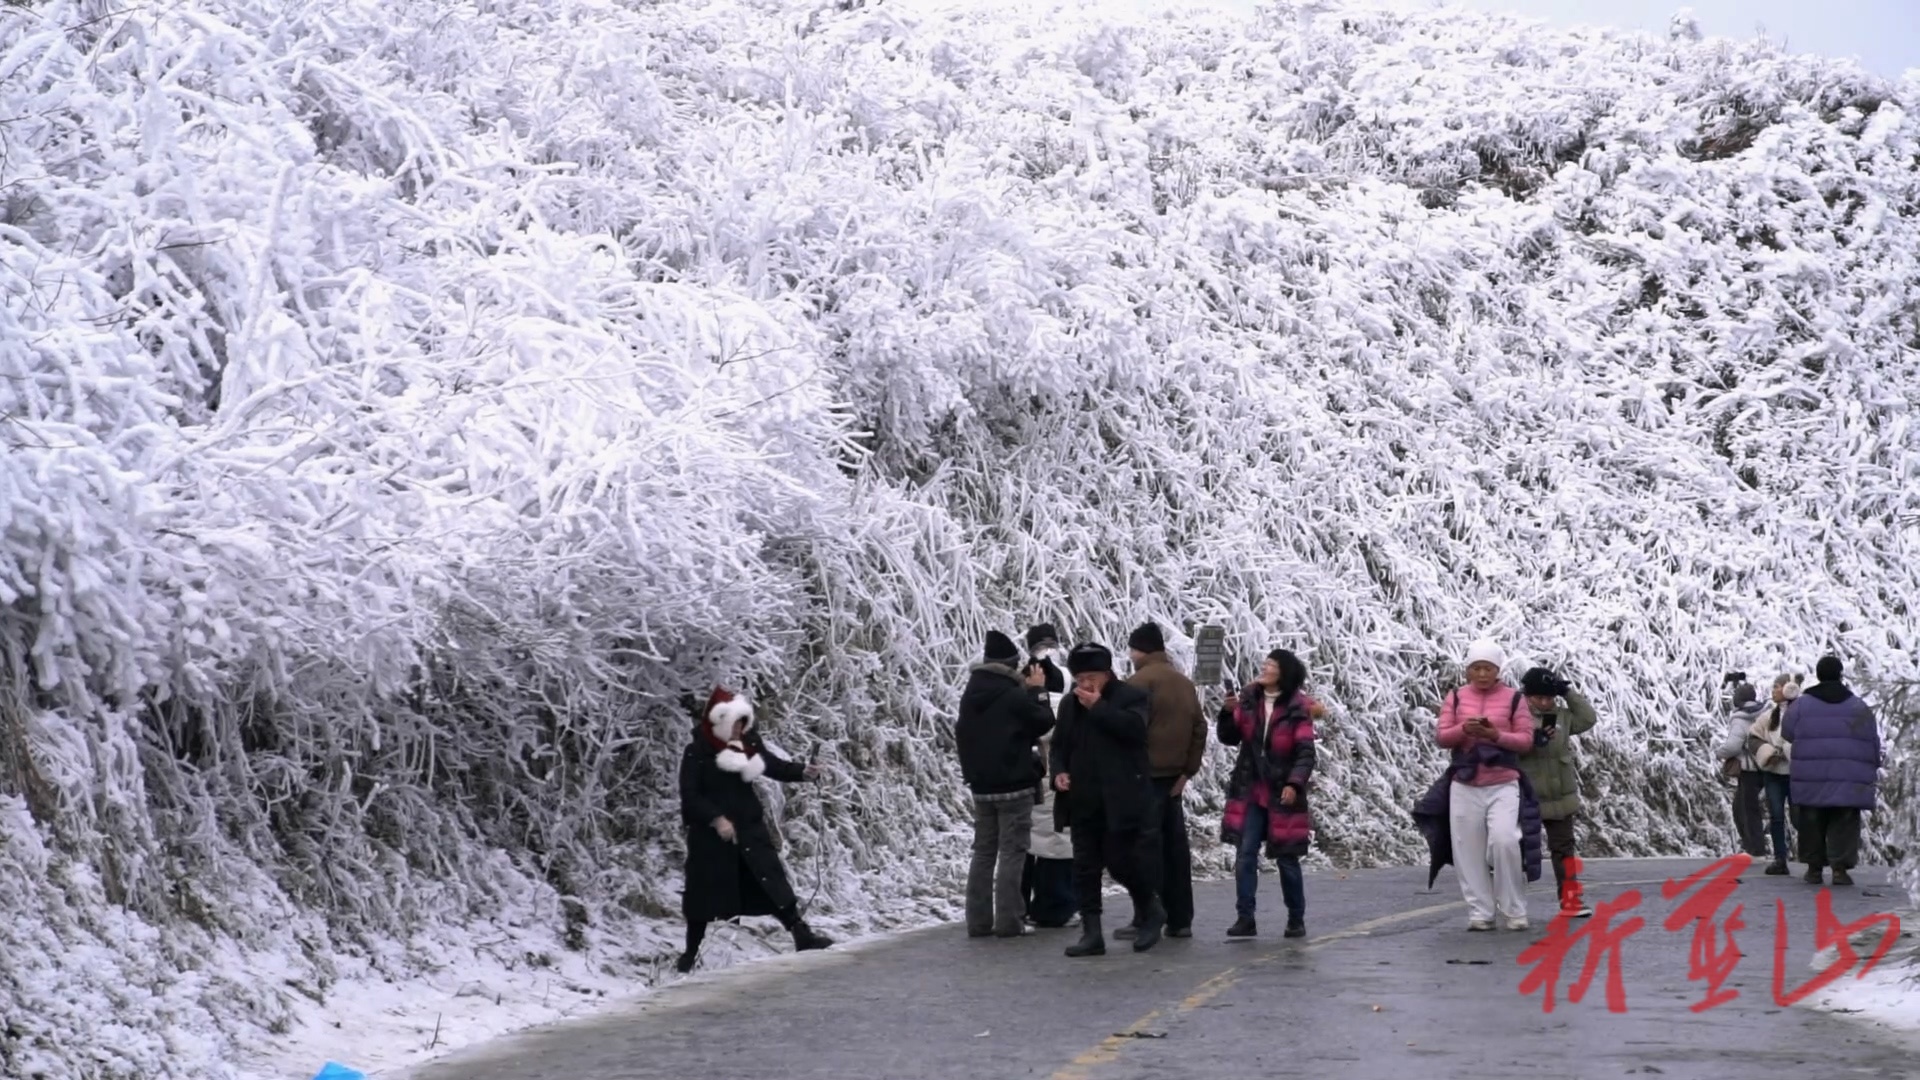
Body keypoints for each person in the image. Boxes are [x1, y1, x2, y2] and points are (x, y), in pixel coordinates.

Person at [676, 688, 832, 973]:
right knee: (702, 896)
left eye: (742, 722)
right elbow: (690, 795)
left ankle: (800, 933)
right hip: (710, 838)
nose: (739, 728)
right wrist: (716, 820)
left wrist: (802, 772)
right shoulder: (697, 752)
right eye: (734, 723)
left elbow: (771, 765)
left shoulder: (747, 746)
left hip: (748, 829)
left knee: (771, 880)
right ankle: (690, 954)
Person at [1050, 642, 1164, 956]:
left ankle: (1150, 909)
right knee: (1084, 866)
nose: (1086, 684)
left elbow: (1135, 731)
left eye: (1092, 676)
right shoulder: (1069, 705)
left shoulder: (1131, 697)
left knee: (1121, 862)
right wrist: (1058, 771)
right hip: (1083, 797)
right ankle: (1092, 933)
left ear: (1107, 673)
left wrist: (1099, 707)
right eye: (1080, 678)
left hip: (1122, 797)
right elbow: (1060, 745)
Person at [956, 630, 1055, 937]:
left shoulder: (970, 695)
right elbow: (1043, 721)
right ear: (1012, 665)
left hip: (982, 787)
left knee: (984, 851)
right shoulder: (1013, 695)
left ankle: (978, 920)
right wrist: (1038, 691)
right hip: (1014, 786)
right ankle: (1010, 921)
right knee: (1013, 851)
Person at [1216, 649, 1319, 938]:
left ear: (1283, 673)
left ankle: (1295, 918)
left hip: (1282, 791)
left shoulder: (1298, 707)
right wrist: (1227, 711)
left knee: (1287, 857)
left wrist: (1294, 784)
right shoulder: (1249, 698)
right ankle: (1245, 917)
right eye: (1264, 664)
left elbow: (1305, 753)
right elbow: (1229, 737)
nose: (1264, 669)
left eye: (1270, 665)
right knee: (1245, 853)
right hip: (1251, 789)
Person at [1436, 638, 1536, 931]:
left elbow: (1526, 740)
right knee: (1468, 848)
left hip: (1503, 781)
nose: (1482, 674)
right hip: (1465, 782)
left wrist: (1495, 735)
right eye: (1476, 668)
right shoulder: (1455, 697)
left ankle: (1514, 909)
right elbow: (1442, 737)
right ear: (1468, 670)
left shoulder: (1514, 699)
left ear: (1497, 670)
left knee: (1505, 840)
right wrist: (1462, 730)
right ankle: (1480, 911)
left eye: (1488, 668)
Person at [1121, 621, 1206, 940]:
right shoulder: (1184, 683)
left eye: (1132, 649)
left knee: (1144, 847)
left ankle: (1147, 916)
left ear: (1140, 650)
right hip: (1175, 779)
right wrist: (1187, 772)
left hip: (1144, 777)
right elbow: (1200, 727)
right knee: (1175, 848)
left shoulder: (1138, 682)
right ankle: (1181, 918)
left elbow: (1129, 732)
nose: (1130, 655)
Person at [1783, 656, 1881, 887]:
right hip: (1847, 777)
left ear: (1818, 675)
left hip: (1811, 776)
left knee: (1812, 819)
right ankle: (1839, 869)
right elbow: (1872, 742)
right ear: (1840, 675)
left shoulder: (1802, 705)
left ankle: (1814, 869)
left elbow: (1787, 733)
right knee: (1844, 821)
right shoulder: (1858, 706)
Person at [1516, 666, 1598, 919]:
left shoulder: (1562, 716)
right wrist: (1532, 740)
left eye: (1549, 697)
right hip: (1527, 797)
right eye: (1538, 698)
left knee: (1564, 849)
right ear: (1527, 695)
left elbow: (1588, 718)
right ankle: (1510, 902)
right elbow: (1506, 743)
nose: (1544, 702)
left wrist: (1567, 693)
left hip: (1560, 796)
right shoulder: (1515, 716)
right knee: (1517, 850)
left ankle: (1570, 899)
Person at [1021, 623, 1077, 927]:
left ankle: (1024, 904)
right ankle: (1056, 906)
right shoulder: (1068, 678)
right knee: (1057, 842)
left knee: (1031, 844)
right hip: (1057, 774)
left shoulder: (1022, 679)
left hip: (1031, 775)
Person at [1747, 674, 1801, 875]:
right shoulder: (1769, 716)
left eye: (1777, 687)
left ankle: (1811, 857)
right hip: (1774, 774)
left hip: (1796, 774)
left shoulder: (1802, 715)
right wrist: (1768, 752)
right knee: (1776, 816)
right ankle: (1780, 858)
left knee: (1800, 817)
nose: (1773, 690)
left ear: (1788, 689)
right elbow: (1753, 738)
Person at [1716, 681, 1770, 861]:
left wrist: (1719, 752)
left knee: (1747, 809)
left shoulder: (1740, 719)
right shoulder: (1765, 713)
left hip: (1749, 769)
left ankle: (1756, 850)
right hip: (1765, 766)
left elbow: (1733, 746)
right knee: (1742, 807)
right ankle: (1752, 846)